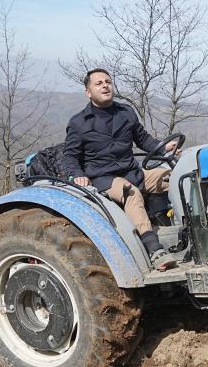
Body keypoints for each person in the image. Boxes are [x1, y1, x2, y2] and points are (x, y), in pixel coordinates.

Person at [61, 68, 181, 270]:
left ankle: (191, 231)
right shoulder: (79, 122)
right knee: (131, 192)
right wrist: (78, 175)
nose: (105, 85)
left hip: (132, 171)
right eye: (98, 83)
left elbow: (142, 139)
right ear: (88, 92)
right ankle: (154, 250)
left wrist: (163, 147)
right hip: (104, 178)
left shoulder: (126, 112)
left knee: (178, 177)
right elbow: (70, 156)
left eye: (107, 81)